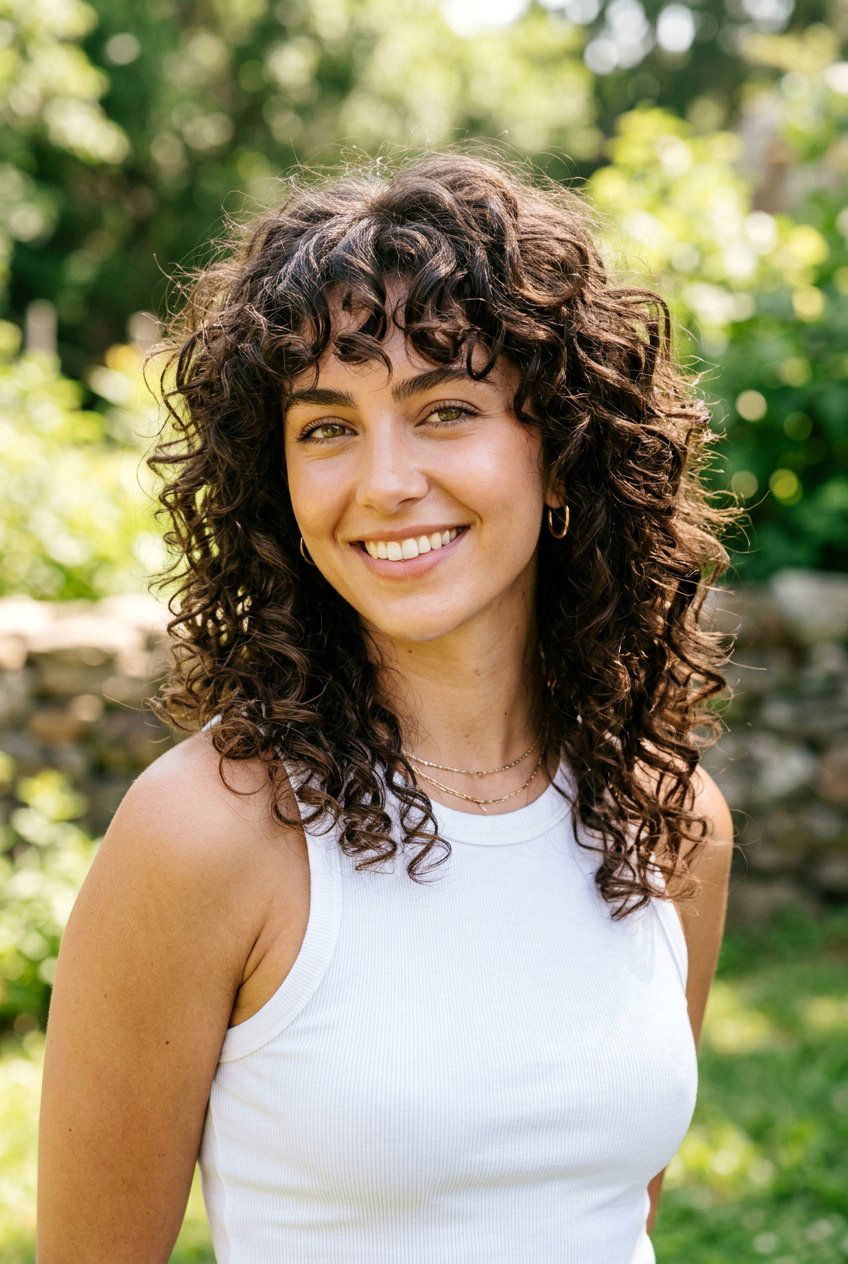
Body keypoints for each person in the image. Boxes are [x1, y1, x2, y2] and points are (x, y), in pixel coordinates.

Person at [37, 150, 735, 1263]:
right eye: (326, 426)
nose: (384, 481)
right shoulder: (203, 836)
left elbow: (605, 1216)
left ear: (559, 453)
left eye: (445, 408)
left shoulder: (668, 814)